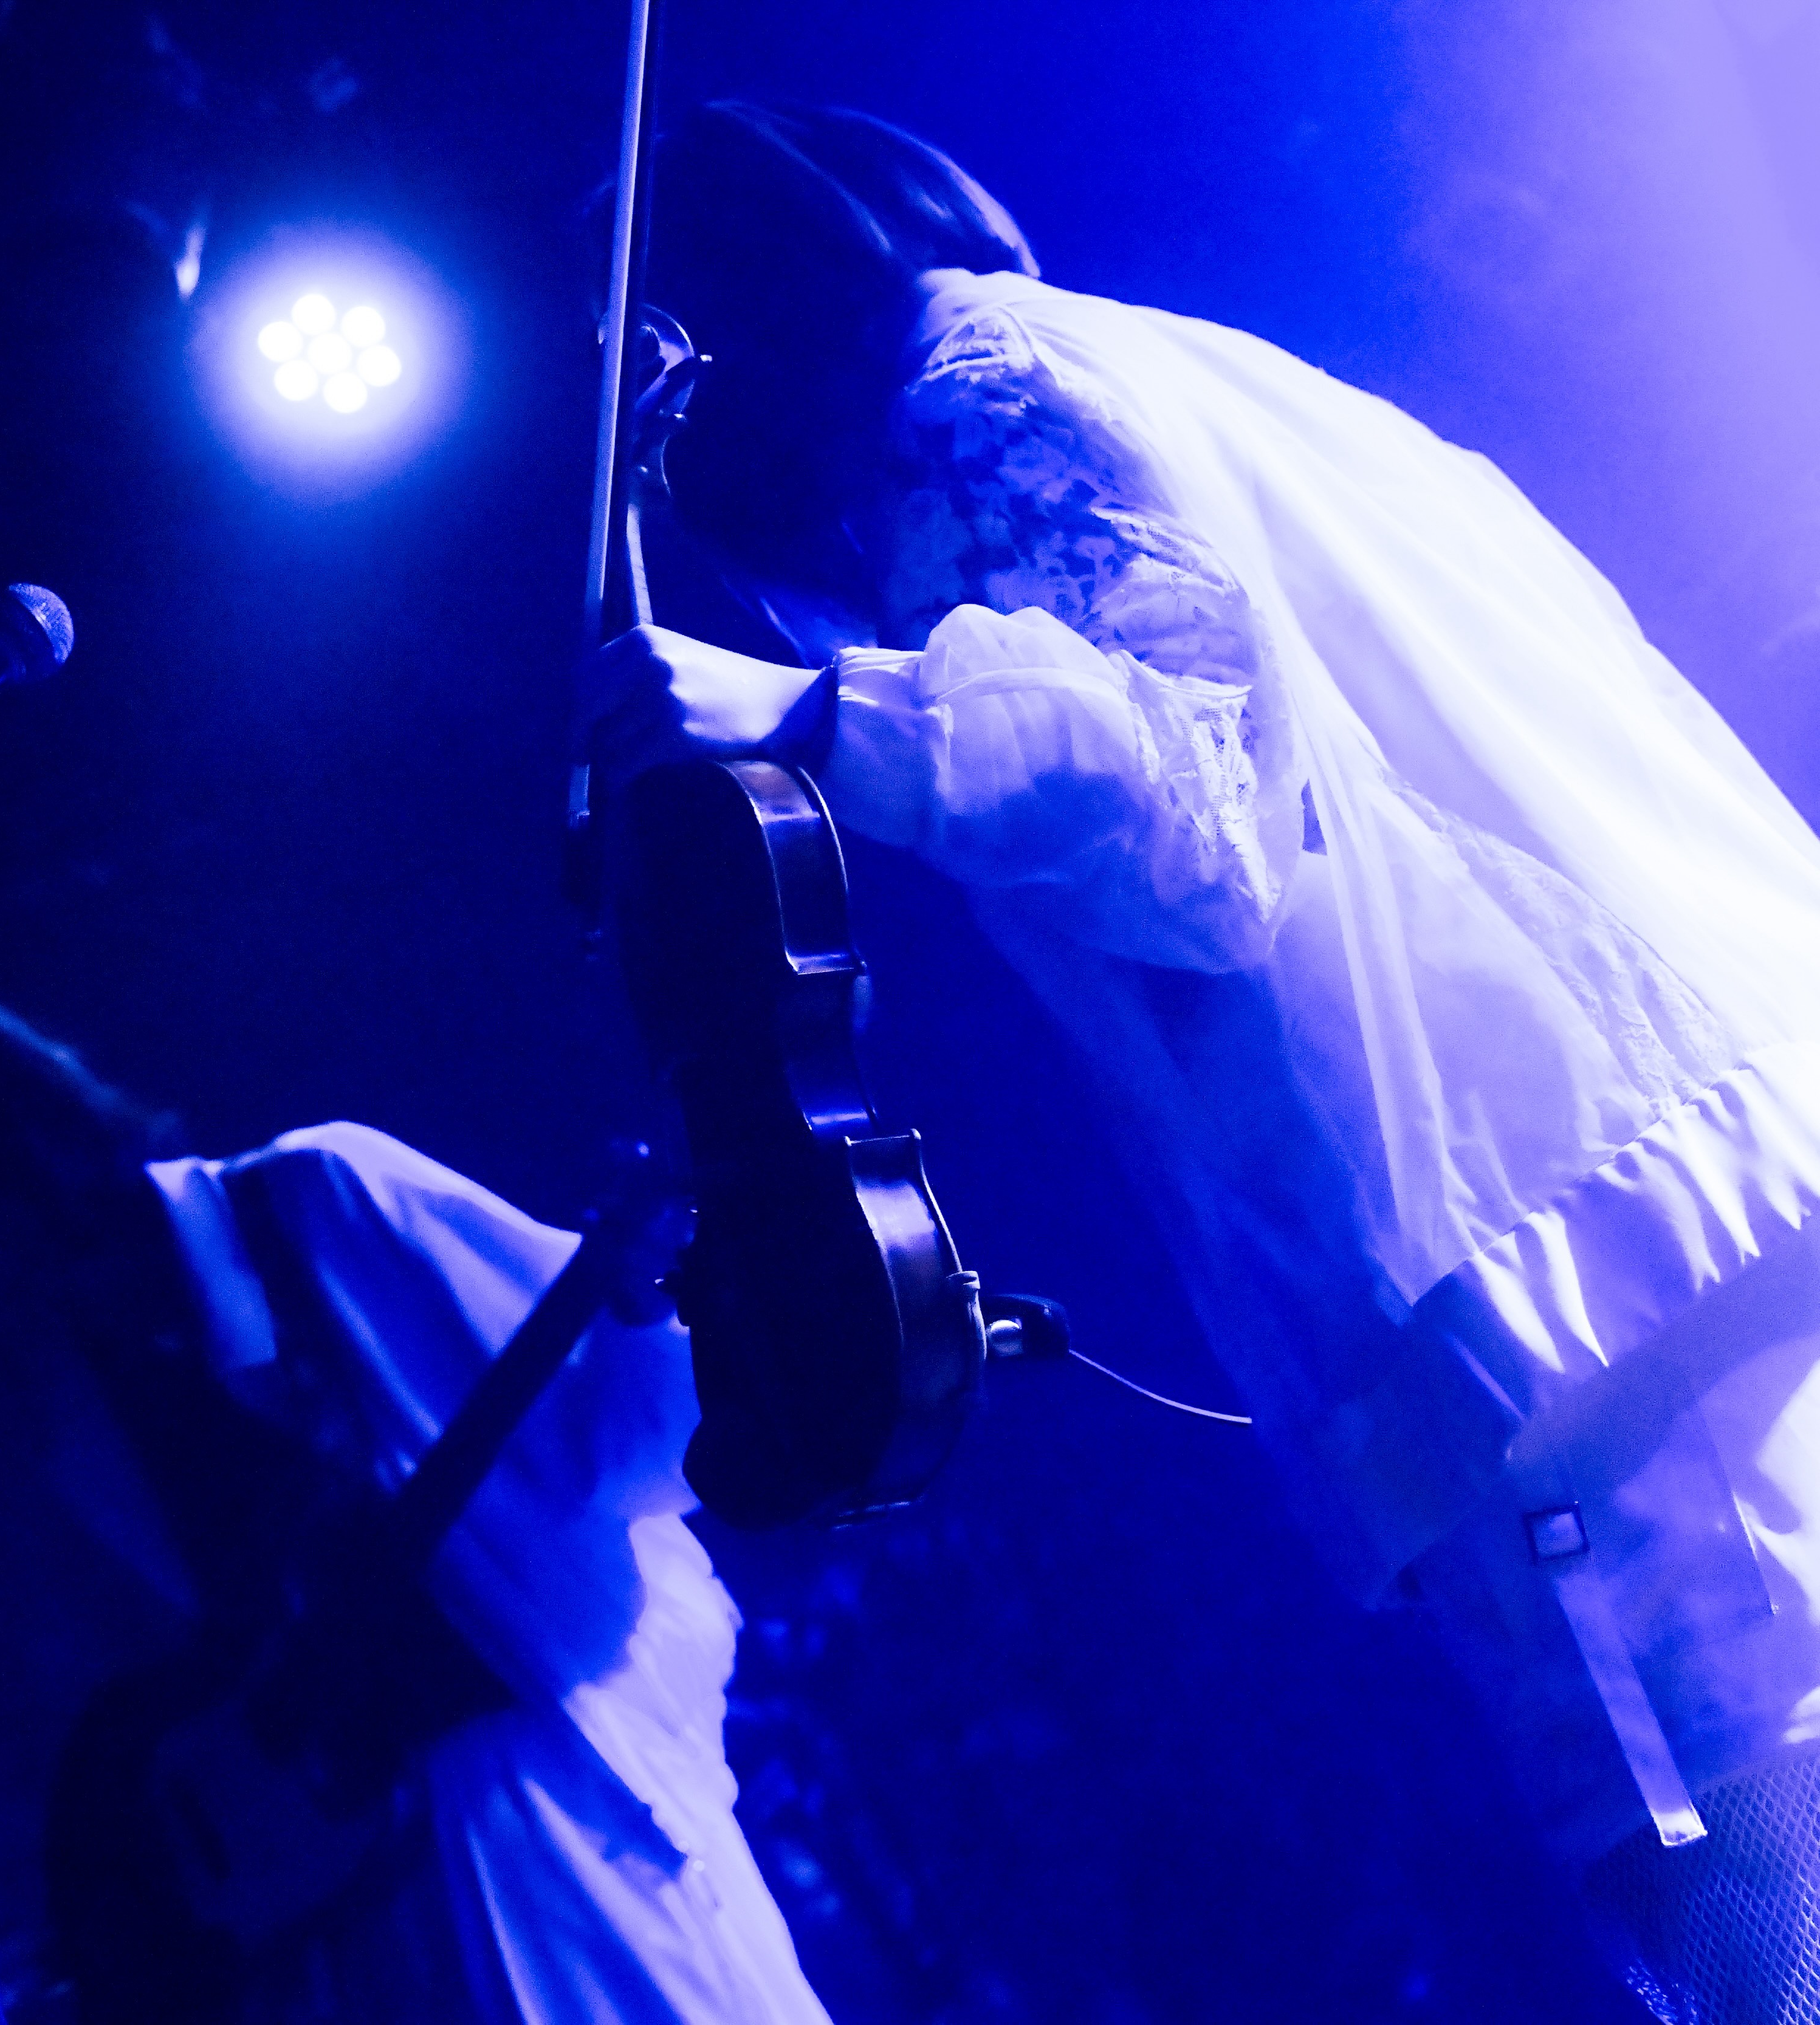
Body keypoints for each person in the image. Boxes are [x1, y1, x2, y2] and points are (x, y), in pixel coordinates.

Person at [588, 101, 1820, 2016]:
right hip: (1690, 1203)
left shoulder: (963, 403)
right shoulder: (1176, 369)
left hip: (1579, 1308)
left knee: (1753, 1896)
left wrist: (825, 710)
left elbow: (1204, 815)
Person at [0, 987, 831, 2025]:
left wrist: (646, 1309)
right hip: (356, 1921)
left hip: (553, 1830)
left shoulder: (321, 1198)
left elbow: (646, 1441)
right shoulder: (67, 1421)